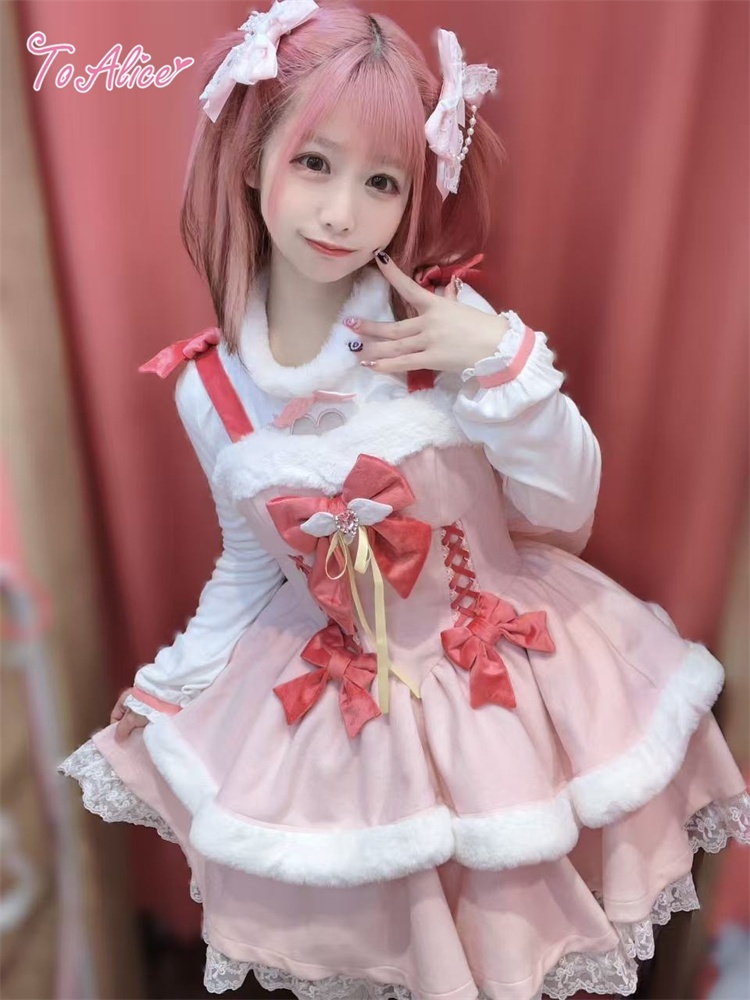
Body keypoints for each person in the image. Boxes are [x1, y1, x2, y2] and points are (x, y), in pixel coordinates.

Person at [60, 2, 750, 997]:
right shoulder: (207, 389)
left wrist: (502, 358)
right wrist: (174, 683)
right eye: (314, 163)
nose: (342, 212)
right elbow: (253, 562)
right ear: (250, 160)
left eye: (381, 180)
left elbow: (566, 505)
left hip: (507, 688)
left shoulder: (443, 321)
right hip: (347, 721)